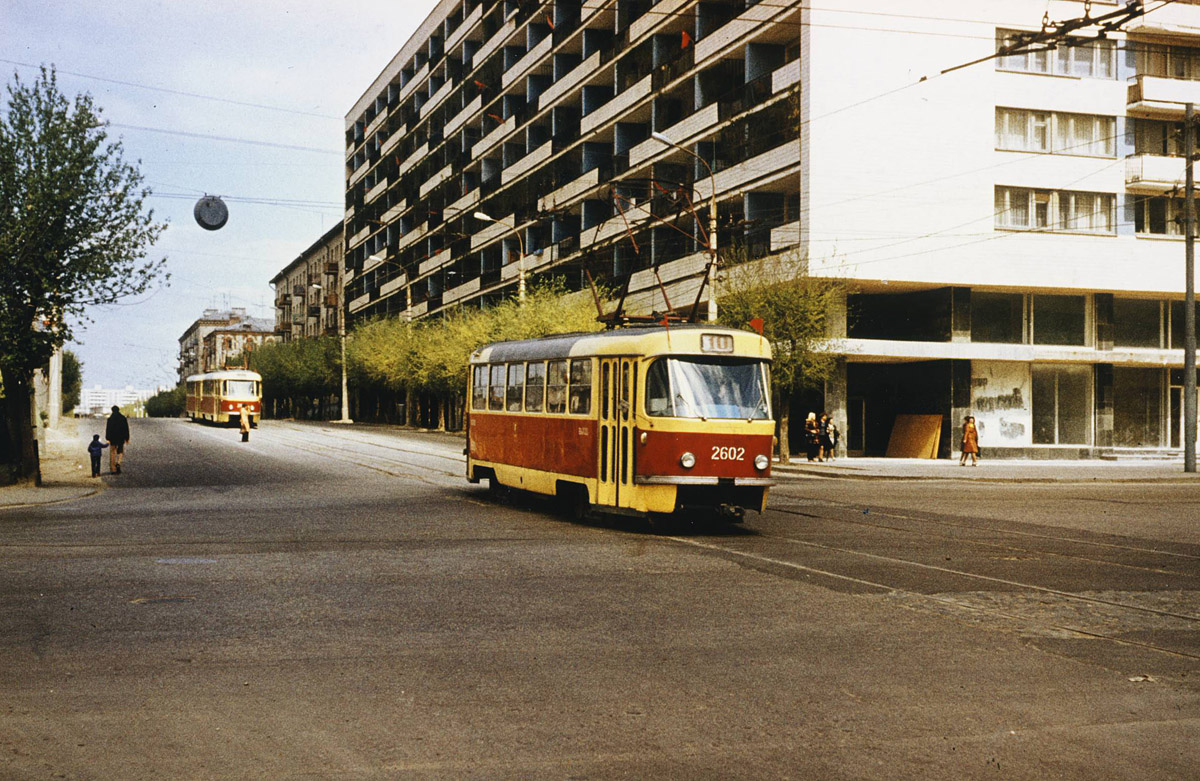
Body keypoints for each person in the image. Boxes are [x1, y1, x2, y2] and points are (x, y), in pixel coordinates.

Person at [105, 405, 130, 474]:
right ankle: (118, 463)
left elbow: (108, 429)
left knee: (113, 453)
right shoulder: (123, 418)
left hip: (113, 439)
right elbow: (126, 429)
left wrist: (107, 438)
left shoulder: (110, 419)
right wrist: (127, 438)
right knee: (120, 451)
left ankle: (113, 469)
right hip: (121, 438)